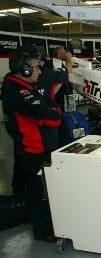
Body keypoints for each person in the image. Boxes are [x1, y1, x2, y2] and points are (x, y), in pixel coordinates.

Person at [0, 49, 62, 243]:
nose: (40, 71)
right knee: (38, 193)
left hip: (34, 149)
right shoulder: (17, 90)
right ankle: (42, 231)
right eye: (36, 67)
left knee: (39, 189)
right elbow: (52, 117)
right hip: (33, 151)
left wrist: (50, 108)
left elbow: (47, 108)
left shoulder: (19, 84)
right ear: (24, 69)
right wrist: (53, 109)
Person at [44, 46, 73, 110]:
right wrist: (69, 58)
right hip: (57, 92)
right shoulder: (50, 62)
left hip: (68, 91)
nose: (65, 53)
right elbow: (68, 70)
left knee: (70, 110)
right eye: (63, 52)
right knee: (59, 111)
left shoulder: (65, 62)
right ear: (58, 53)